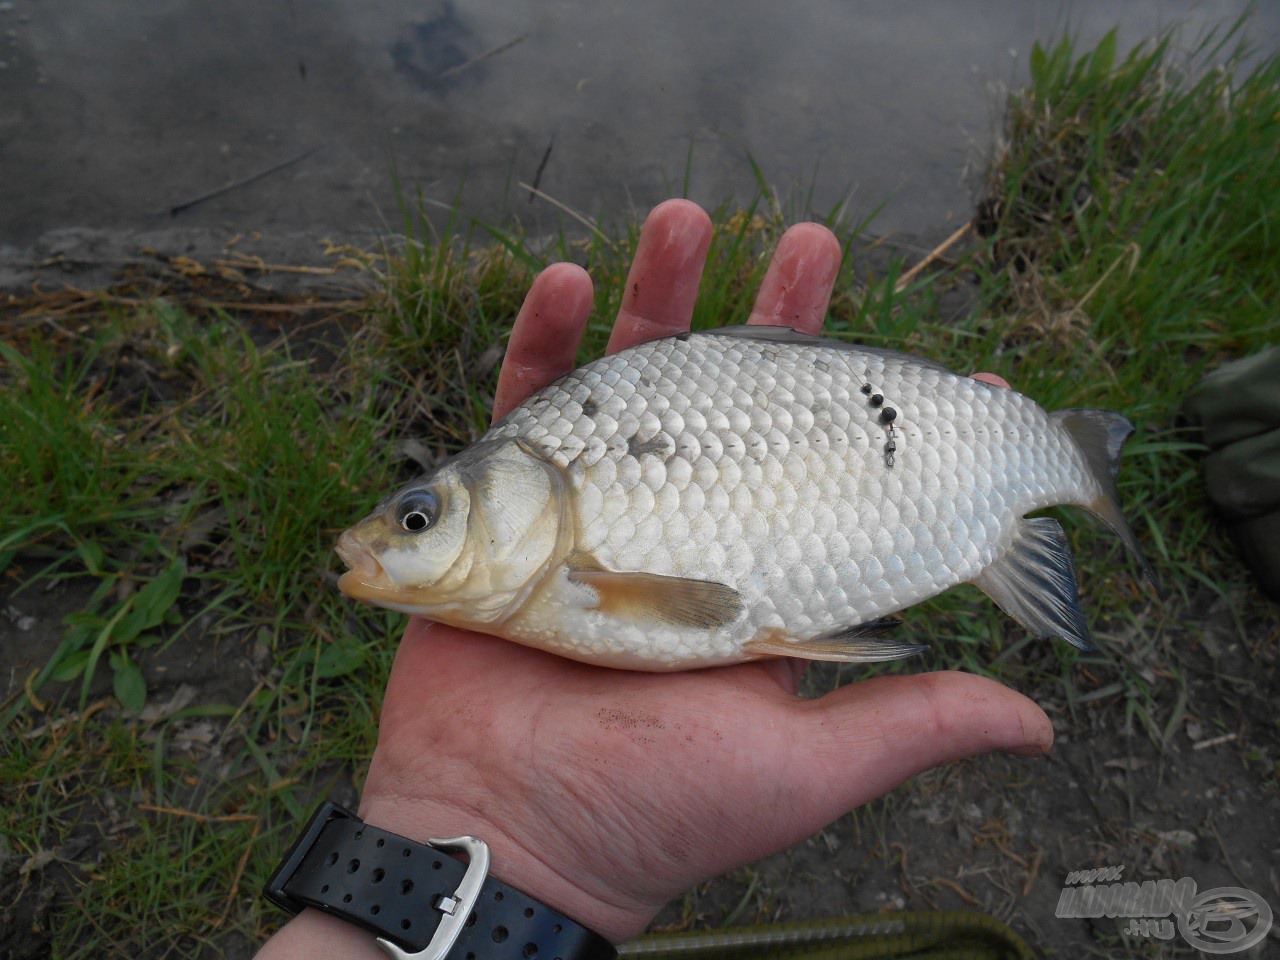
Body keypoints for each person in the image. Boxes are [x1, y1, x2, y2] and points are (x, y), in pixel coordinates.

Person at [255, 200, 1053, 959]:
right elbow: (705, 607)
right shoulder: (540, 559)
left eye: (418, 519)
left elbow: (705, 608)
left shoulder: (558, 567)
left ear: (525, 489)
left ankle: (1057, 467)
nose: (388, 541)